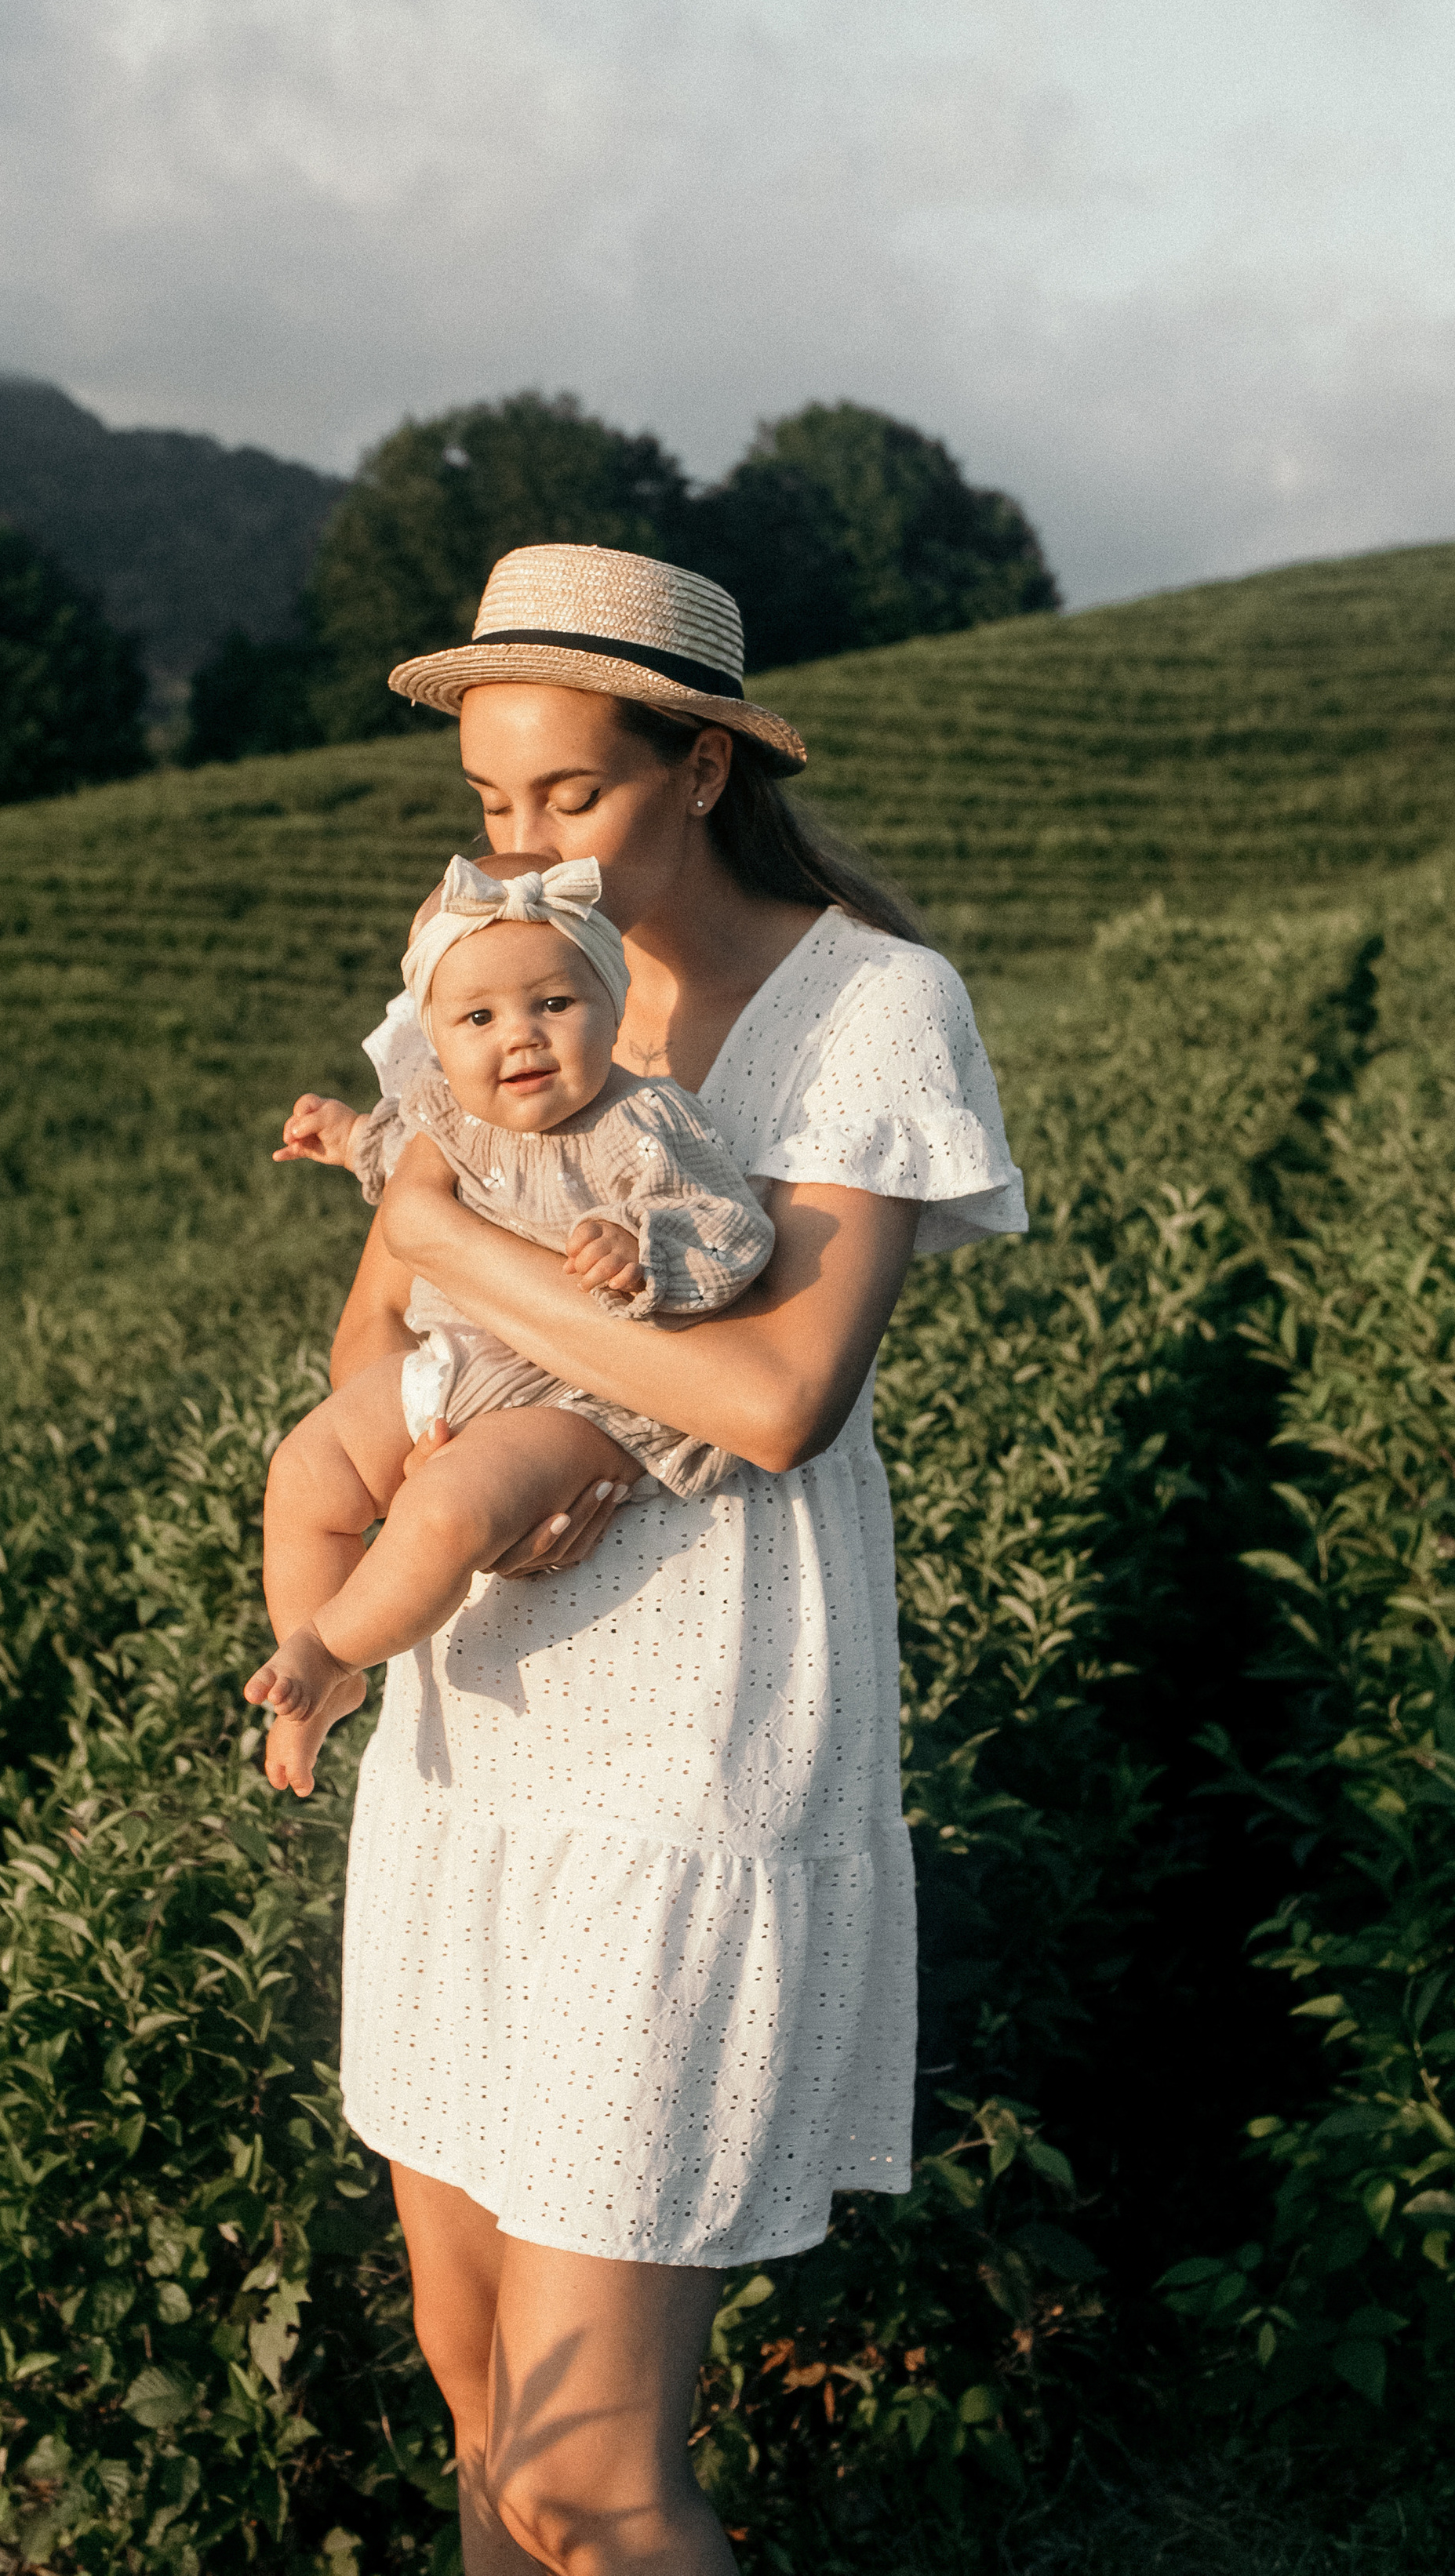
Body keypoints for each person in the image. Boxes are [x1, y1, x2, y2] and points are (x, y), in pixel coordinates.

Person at [267, 545, 1026, 2576]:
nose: (524, 850)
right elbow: (376, 1342)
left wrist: (470, 1267)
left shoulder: (874, 999)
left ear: (697, 766)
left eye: (568, 799)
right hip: (472, 1733)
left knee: (591, 2479)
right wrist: (475, 1380)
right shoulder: (470, 979)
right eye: (493, 805)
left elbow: (783, 1392)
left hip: (689, 1745)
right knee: (477, 2399)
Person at [248, 850, 775, 1795]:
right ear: (436, 1041)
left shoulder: (644, 1122)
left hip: (576, 1393)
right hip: (456, 1361)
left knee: (447, 1507)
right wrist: (344, 1139)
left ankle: (329, 1653)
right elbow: (398, 1146)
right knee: (304, 1473)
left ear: (612, 1006)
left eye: (554, 1006)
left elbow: (730, 1230)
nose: (521, 1038)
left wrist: (643, 1250)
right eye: (480, 1019)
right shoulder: (452, 1114)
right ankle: (315, 1659)